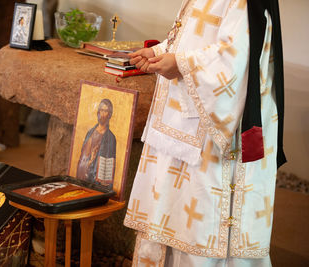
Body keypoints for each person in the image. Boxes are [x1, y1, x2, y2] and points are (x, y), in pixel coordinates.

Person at [123, 0, 286, 266]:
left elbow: (235, 59)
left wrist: (180, 63)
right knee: (169, 210)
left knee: (201, 223)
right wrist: (160, 52)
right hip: (181, 125)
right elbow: (193, 36)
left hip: (214, 130)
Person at [76, 99, 116, 188]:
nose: (102, 113)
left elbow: (110, 164)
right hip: (83, 177)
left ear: (109, 114)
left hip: (98, 182)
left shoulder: (111, 138)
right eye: (101, 110)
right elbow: (83, 157)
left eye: (105, 111)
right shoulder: (90, 132)